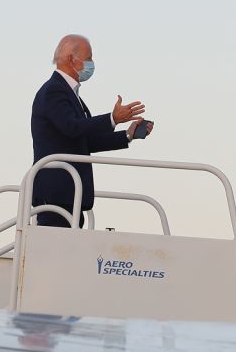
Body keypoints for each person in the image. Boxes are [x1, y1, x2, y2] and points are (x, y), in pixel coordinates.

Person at [30, 34, 153, 228]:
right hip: (56, 192)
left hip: (71, 195)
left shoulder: (70, 94)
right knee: (56, 253)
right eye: (89, 58)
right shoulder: (53, 91)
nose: (92, 64)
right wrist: (112, 118)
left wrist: (128, 134)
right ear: (72, 59)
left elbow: (86, 140)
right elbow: (72, 127)